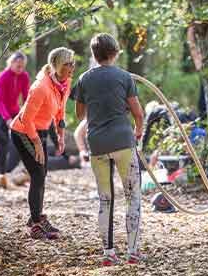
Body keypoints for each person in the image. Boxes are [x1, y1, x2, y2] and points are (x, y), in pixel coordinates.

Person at [75, 33, 145, 266]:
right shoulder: (124, 76)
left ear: (94, 54)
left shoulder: (84, 79)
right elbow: (138, 113)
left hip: (97, 144)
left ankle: (109, 254)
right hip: (124, 142)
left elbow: (79, 114)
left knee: (105, 200)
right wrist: (138, 131)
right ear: (115, 52)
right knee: (132, 196)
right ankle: (132, 253)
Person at [10, 47, 73, 240]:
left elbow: (60, 112)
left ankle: (36, 217)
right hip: (23, 131)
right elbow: (27, 119)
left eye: (73, 63)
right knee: (37, 173)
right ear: (56, 66)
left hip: (41, 129)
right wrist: (37, 143)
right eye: (67, 64)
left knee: (42, 173)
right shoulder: (40, 87)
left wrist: (61, 136)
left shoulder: (64, 83)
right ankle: (36, 224)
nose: (72, 68)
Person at [0, 52, 29, 174]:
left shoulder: (24, 76)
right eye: (18, 65)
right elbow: (0, 100)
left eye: (22, 66)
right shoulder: (4, 76)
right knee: (4, 143)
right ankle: (1, 172)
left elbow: (25, 97)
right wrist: (7, 118)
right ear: (11, 63)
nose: (20, 68)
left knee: (19, 140)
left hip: (14, 112)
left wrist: (26, 113)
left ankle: (11, 169)